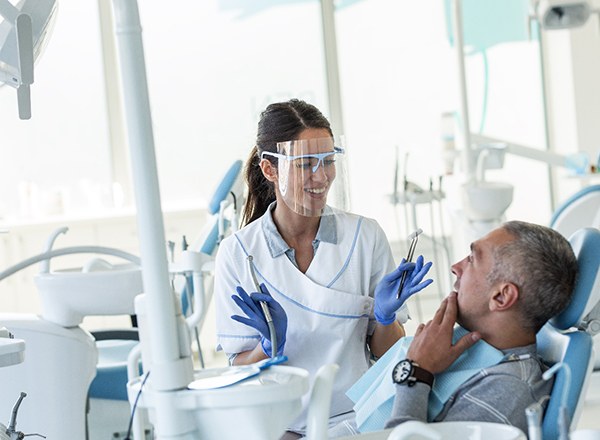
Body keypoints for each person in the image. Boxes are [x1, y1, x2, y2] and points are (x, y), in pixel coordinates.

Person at [213, 98, 433, 438]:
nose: (321, 176)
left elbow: (386, 351)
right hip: (279, 425)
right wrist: (268, 348)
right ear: (270, 169)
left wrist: (386, 319)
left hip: (358, 420)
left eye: (328, 161)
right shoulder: (238, 253)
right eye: (305, 164)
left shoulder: (364, 236)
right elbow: (238, 369)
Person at [381, 221, 578, 434]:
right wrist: (383, 318)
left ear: (501, 297)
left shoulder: (506, 392)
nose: (455, 267)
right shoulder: (472, 352)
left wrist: (416, 372)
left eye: (472, 259)